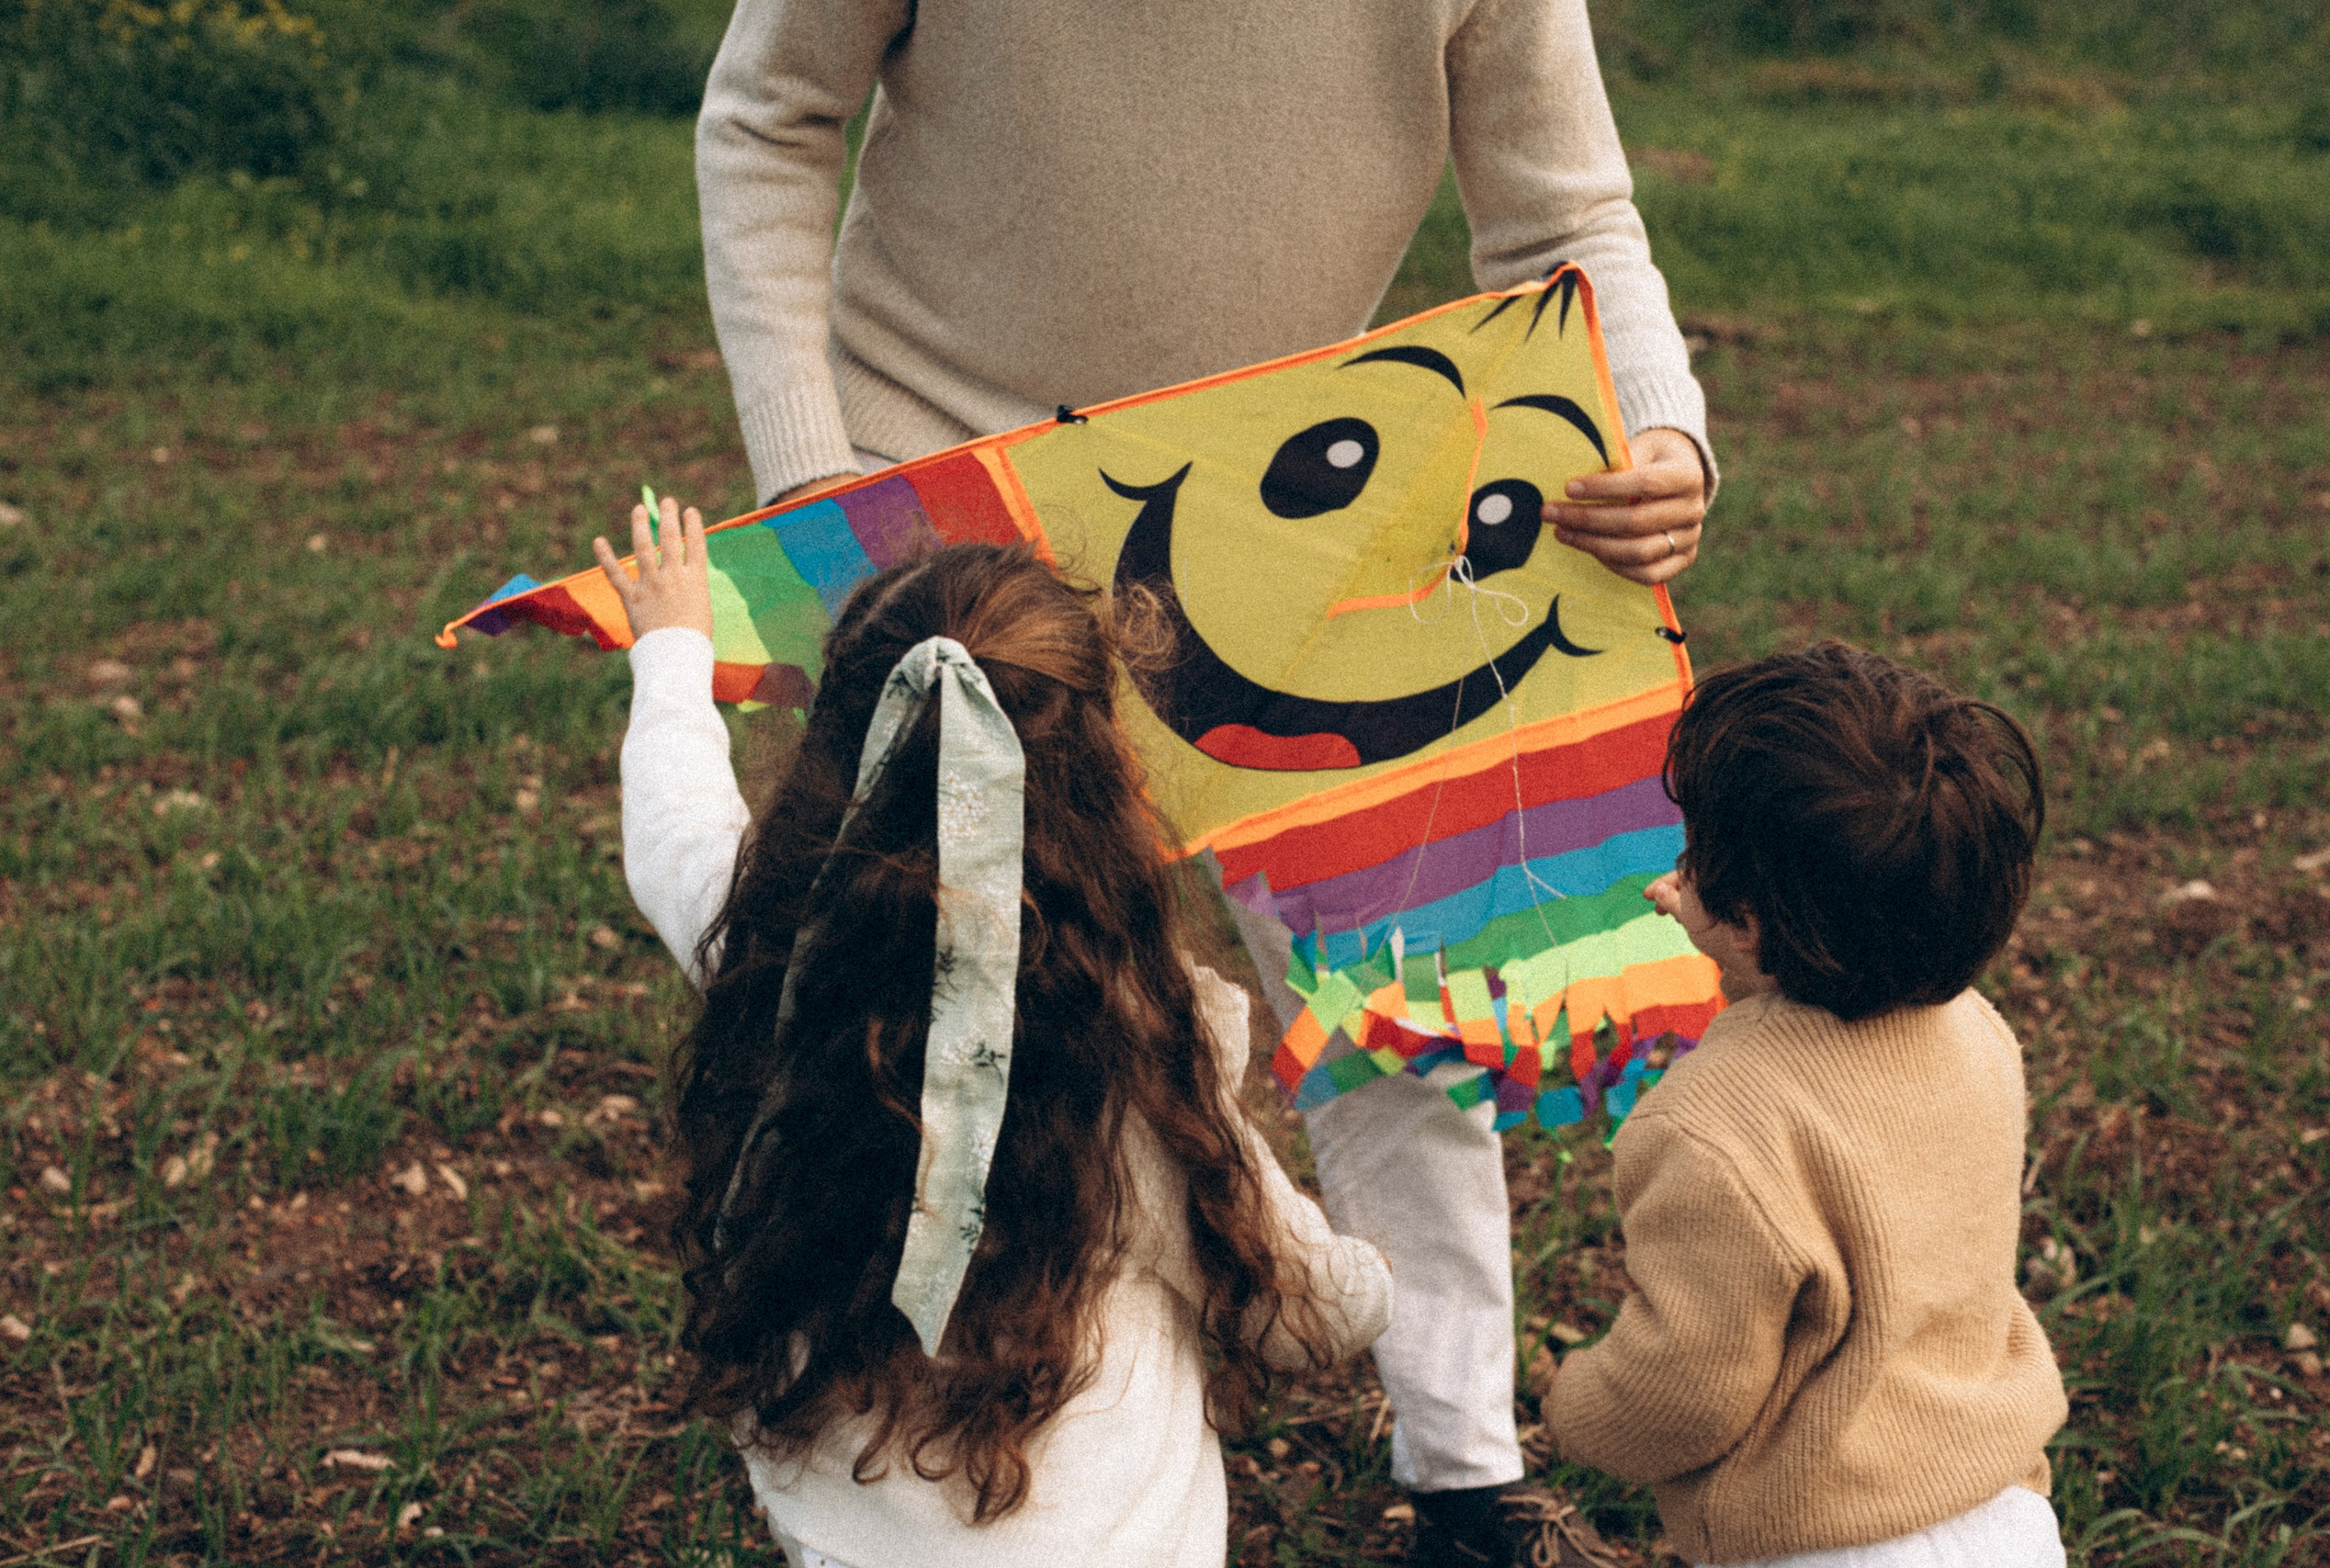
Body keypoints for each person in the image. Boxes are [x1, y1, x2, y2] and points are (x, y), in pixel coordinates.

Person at [697, 6, 1715, 1559]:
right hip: (955, 512)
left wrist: (1659, 431)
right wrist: (816, 484)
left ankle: (1461, 1470)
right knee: (918, 1002)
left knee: (1400, 991)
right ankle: (861, 1427)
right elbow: (768, 120)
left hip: (1313, 514)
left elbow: (1567, 214)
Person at [593, 500, 1395, 1568]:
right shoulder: (1124, 1062)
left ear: (838, 751)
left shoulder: (773, 960)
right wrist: (1377, 1279)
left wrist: (672, 645)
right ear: (1099, 781)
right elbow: (1306, 1316)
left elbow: (675, 826)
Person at [1546, 643, 2070, 1568]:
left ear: (1745, 920)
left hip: (1818, 1537)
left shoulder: (1709, 1124)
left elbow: (1689, 1388)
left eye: (1691, 852)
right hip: (2006, 1515)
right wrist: (1734, 938)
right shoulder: (1978, 1034)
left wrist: (1577, 1403)